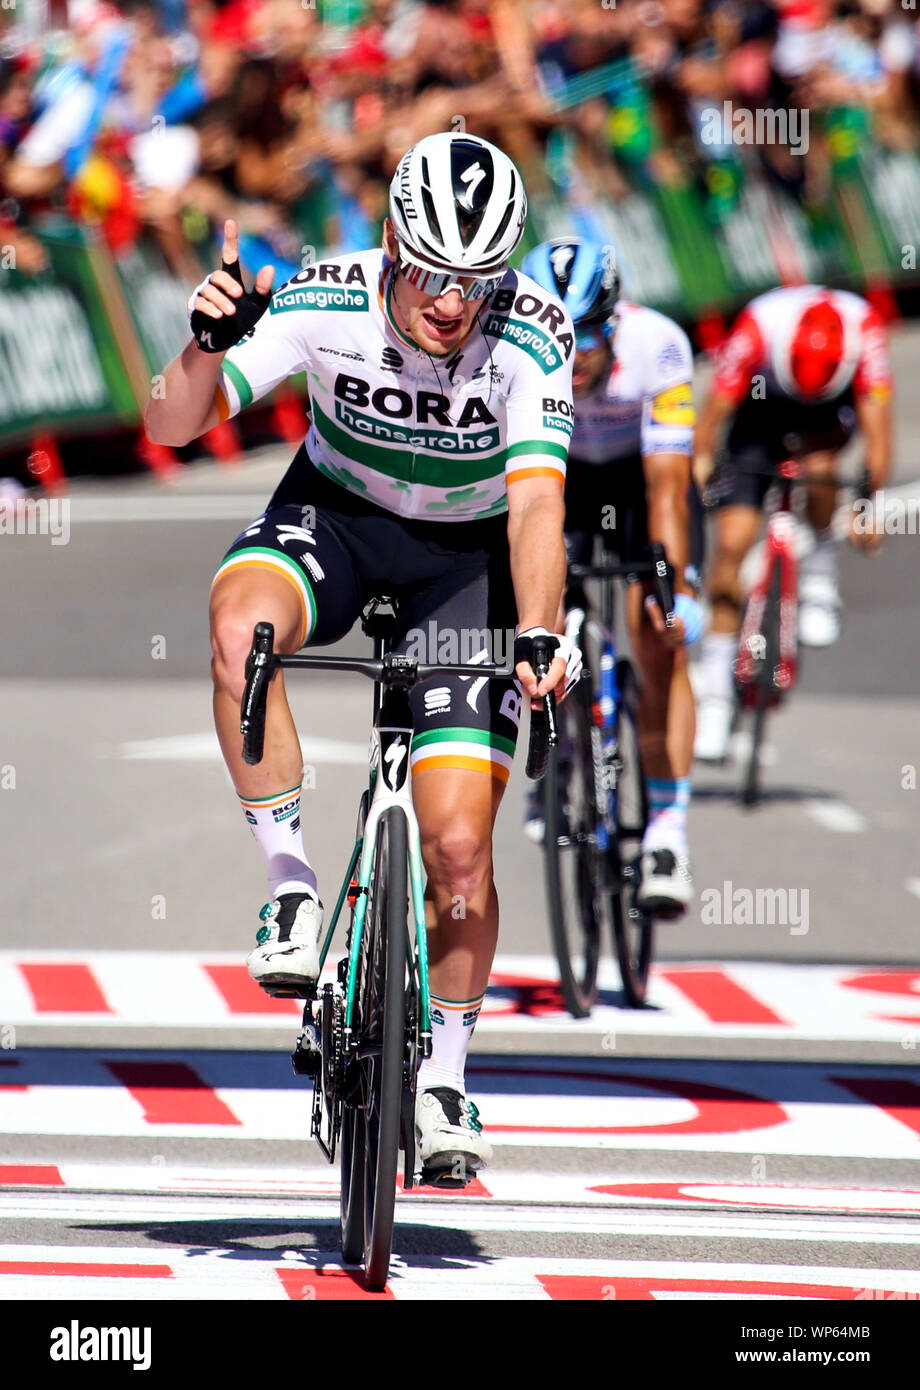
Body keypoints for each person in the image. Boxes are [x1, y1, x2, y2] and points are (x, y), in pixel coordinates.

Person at [144, 131, 579, 1186]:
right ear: (389, 243)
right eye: (430, 272)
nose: (449, 302)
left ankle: (446, 1075)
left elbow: (534, 500)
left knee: (460, 852)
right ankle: (289, 885)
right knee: (240, 624)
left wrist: (536, 630)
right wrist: (202, 344)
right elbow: (168, 419)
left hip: (461, 564)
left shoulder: (531, 332)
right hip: (335, 521)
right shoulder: (324, 296)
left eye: (476, 281)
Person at [520, 238, 703, 918]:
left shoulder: (659, 347)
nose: (576, 357)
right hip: (557, 481)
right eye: (563, 338)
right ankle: (563, 750)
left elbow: (666, 491)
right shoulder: (513, 349)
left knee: (656, 635)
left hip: (637, 484)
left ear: (615, 322)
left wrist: (668, 582)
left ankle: (667, 834)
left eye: (590, 337)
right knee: (532, 614)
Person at [693, 284, 893, 762]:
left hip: (828, 416)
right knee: (732, 544)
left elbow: (878, 432)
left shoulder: (865, 333)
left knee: (823, 474)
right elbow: (715, 411)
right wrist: (701, 462)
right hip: (758, 415)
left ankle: (820, 577)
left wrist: (868, 505)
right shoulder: (759, 328)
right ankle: (717, 700)